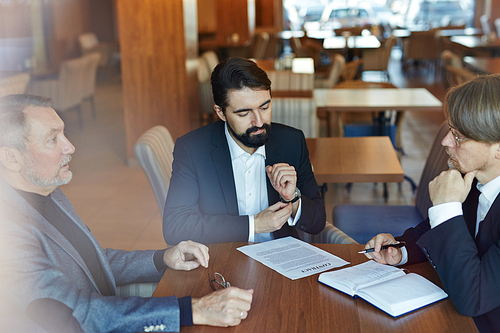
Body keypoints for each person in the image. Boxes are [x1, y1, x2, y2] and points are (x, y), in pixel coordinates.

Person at [0, 94, 253, 332]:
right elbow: (77, 314)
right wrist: (193, 310)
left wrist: (162, 258)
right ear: (11, 158)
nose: (70, 147)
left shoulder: (47, 192)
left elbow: (93, 262)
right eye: (53, 139)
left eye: (64, 134)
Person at [363, 75, 500, 333]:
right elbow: (436, 230)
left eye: (459, 137)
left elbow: (473, 297)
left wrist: (447, 208)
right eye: (450, 130)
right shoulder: (474, 179)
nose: (445, 142)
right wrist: (401, 250)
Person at [163, 57, 326, 245]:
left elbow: (318, 222)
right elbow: (175, 226)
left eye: (265, 107)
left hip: (281, 260)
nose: (259, 121)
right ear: (220, 112)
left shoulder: (292, 142)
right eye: (244, 113)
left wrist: (293, 198)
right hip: (221, 261)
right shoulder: (193, 149)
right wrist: (253, 225)